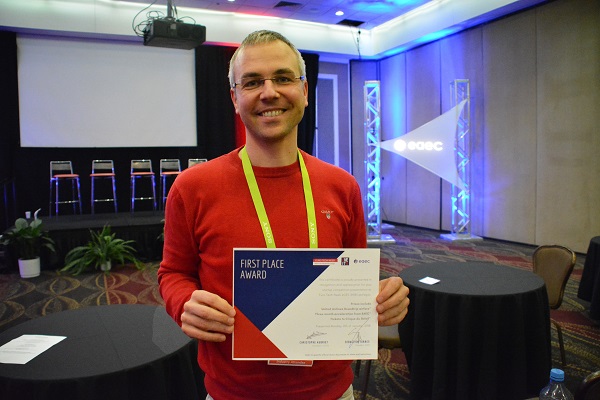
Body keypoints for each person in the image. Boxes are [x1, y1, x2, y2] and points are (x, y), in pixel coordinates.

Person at [158, 30, 410, 400]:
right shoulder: (193, 187)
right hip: (234, 393)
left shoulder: (343, 187)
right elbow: (173, 273)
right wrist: (184, 302)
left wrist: (383, 299)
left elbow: (358, 276)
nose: (269, 92)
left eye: (283, 78)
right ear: (235, 98)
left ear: (305, 92)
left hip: (331, 391)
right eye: (252, 82)